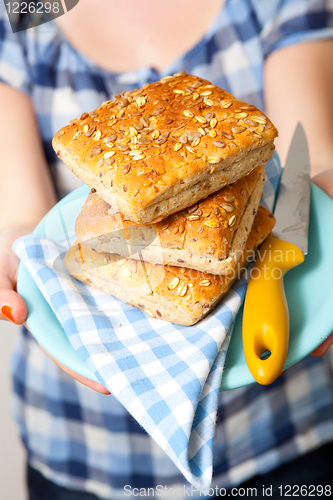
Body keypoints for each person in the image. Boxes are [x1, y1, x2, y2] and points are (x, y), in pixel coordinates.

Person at [1, 0, 333, 498]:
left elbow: (311, 163)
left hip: (284, 436)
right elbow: (22, 218)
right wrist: (15, 252)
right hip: (83, 448)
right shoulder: (24, 12)